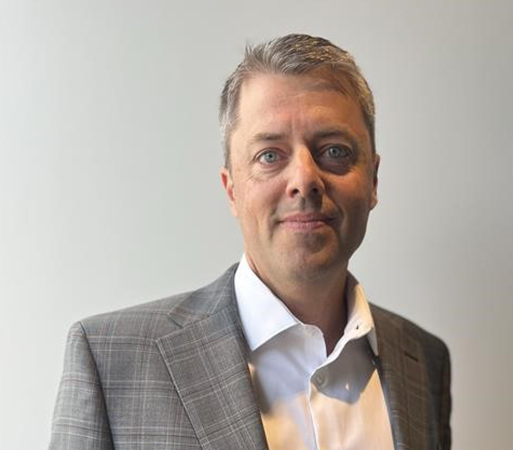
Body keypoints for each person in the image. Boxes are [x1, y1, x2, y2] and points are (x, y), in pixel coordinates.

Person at [49, 34, 451, 450]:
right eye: (270, 155)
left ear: (373, 181)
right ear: (232, 190)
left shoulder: (423, 361)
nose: (304, 180)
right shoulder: (111, 362)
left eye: (334, 151)